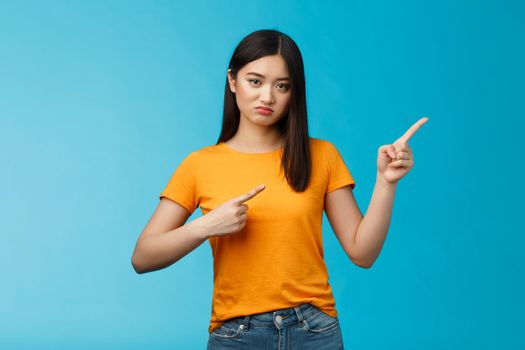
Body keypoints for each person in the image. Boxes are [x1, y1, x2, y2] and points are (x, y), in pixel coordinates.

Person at [131, 29, 428, 350]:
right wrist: (206, 226)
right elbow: (143, 257)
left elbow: (363, 253)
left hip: (314, 332)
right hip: (237, 335)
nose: (267, 97)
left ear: (293, 92)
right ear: (232, 81)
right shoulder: (200, 164)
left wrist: (386, 182)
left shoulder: (322, 156)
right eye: (255, 81)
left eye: (281, 86)